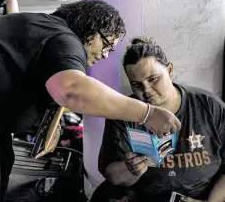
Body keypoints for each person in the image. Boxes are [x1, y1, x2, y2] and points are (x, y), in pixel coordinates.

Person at [0, 0, 181, 202]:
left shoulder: (50, 29)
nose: (106, 54)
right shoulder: (65, 40)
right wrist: (147, 113)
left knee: (2, 162)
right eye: (108, 44)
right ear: (92, 29)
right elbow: (72, 90)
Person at [94, 37, 225, 202]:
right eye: (137, 84)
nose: (146, 90)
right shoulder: (124, 113)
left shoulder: (209, 106)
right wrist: (130, 169)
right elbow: (113, 176)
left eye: (153, 79)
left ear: (170, 70)